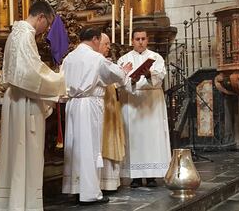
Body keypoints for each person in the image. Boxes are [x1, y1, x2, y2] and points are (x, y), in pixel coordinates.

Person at [0, 0, 66, 211]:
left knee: (16, 155)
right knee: (25, 154)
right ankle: (22, 205)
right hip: (24, 102)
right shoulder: (25, 35)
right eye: (48, 24)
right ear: (41, 17)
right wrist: (60, 80)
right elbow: (31, 74)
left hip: (17, 99)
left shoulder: (15, 33)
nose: (47, 30)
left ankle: (15, 203)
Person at [62, 27, 132, 204]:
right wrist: (124, 70)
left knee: (75, 146)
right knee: (90, 147)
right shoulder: (95, 58)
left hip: (72, 104)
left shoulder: (69, 58)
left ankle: (76, 189)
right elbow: (115, 74)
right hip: (89, 103)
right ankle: (90, 193)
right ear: (94, 39)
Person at [117, 27, 171, 188]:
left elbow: (160, 76)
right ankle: (135, 177)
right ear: (132, 41)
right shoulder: (124, 59)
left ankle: (153, 175)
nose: (140, 42)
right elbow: (120, 81)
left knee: (153, 136)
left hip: (152, 101)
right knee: (134, 138)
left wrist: (148, 74)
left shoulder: (156, 57)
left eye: (143, 39)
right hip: (132, 102)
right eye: (137, 39)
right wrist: (133, 80)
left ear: (147, 40)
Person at [98, 33, 126, 191]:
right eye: (106, 44)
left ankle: (112, 181)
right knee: (104, 141)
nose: (109, 47)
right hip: (103, 107)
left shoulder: (106, 62)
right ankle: (104, 182)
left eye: (109, 44)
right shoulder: (97, 61)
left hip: (112, 106)